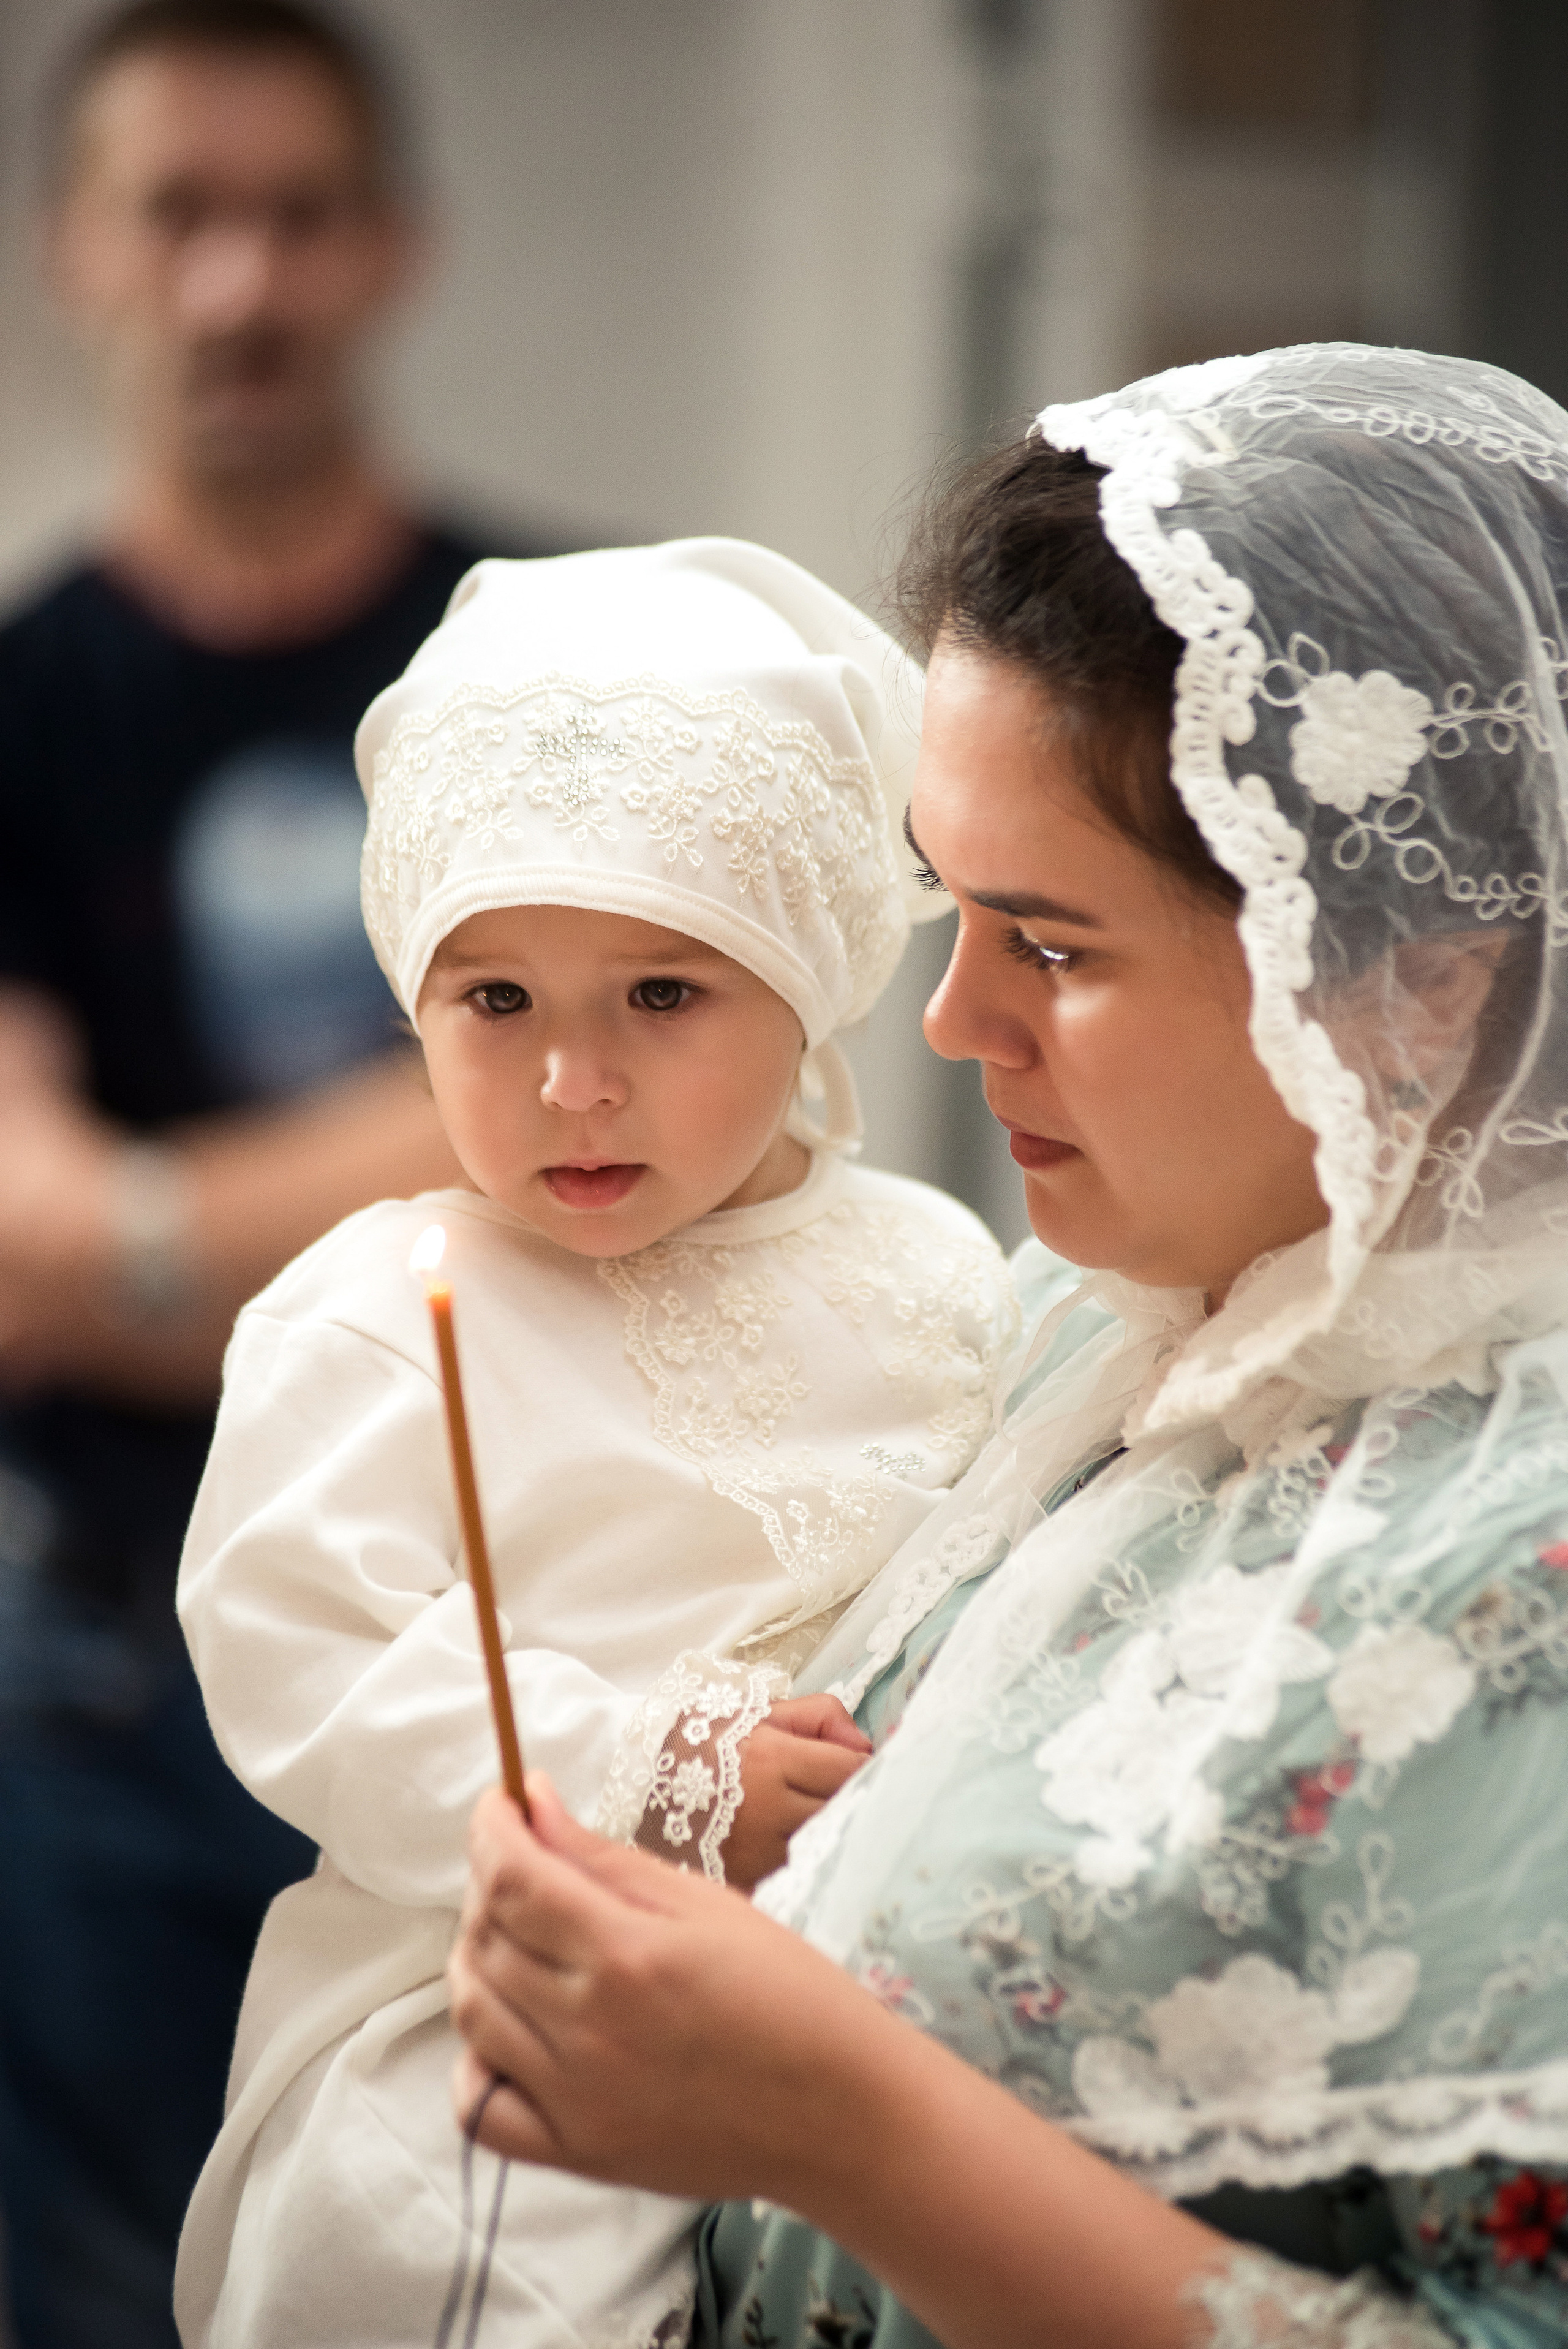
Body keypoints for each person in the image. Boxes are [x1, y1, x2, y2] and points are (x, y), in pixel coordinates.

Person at [448, 342, 1568, 2348]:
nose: (956, 1021)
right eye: (947, 909)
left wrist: (844, 2126)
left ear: (1425, 976)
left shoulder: (1526, 1555)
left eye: (1051, 944)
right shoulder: (1091, 1322)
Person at [172, 537, 1017, 2349]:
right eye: (497, 1001)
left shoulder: (939, 1271)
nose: (573, 1081)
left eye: (659, 994)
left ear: (810, 981)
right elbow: (308, 1658)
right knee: (489, 2256)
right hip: (496, 1975)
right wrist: (659, 1764)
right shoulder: (377, 1306)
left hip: (867, 1967)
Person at [0, 3, 557, 2340]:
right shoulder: (25, 700)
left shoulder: (544, 661)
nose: (241, 279)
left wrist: (136, 1224)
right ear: (77, 256)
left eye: (297, 213)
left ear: (393, 249)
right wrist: (438, 1151)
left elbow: (654, 1145)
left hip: (535, 1650)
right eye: (179, 212)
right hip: (115, 1692)